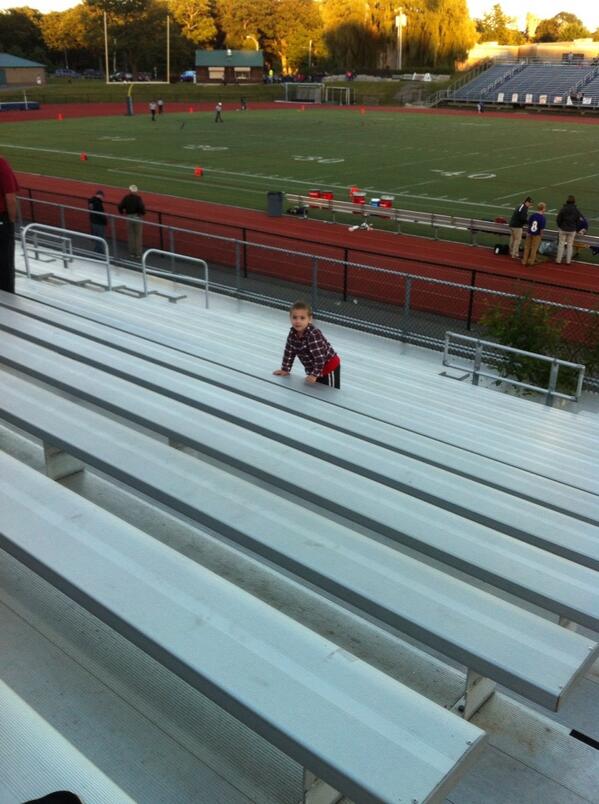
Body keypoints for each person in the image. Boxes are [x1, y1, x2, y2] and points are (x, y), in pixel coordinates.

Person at [273, 300, 341, 388]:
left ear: (309, 319)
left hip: (328, 366)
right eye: (294, 317)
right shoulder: (292, 334)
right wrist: (285, 369)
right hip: (315, 368)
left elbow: (319, 358)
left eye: (302, 318)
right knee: (317, 390)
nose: (298, 321)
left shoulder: (313, 334)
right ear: (290, 318)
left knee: (329, 392)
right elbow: (289, 352)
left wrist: (314, 374)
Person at [0, 154, 19, 294]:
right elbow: (10, 198)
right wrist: (11, 220)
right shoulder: (1, 164)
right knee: (5, 266)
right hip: (2, 221)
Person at [118, 184, 146, 259]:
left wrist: (121, 212)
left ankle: (132, 253)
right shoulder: (138, 198)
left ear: (130, 191)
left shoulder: (126, 198)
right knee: (138, 236)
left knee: (131, 235)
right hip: (137, 217)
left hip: (129, 217)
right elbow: (142, 208)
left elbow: (120, 206)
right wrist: (142, 213)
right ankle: (138, 254)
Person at [556, 194, 583, 265]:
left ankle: (558, 260)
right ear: (574, 201)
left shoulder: (563, 208)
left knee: (561, 244)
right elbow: (579, 220)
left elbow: (558, 218)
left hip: (563, 228)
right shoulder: (576, 210)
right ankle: (568, 261)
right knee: (570, 246)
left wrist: (560, 226)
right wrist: (575, 227)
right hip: (572, 229)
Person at [522, 202, 546, 266]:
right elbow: (541, 229)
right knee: (534, 248)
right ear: (542, 209)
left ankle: (524, 261)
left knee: (527, 247)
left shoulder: (533, 215)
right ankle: (531, 261)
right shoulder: (542, 218)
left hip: (529, 233)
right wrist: (541, 236)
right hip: (536, 234)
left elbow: (529, 224)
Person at [88, 188, 108, 254]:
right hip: (98, 223)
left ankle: (97, 250)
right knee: (100, 237)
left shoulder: (91, 201)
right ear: (100, 195)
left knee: (96, 236)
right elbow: (100, 214)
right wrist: (105, 221)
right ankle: (100, 252)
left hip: (93, 221)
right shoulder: (98, 202)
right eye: (102, 197)